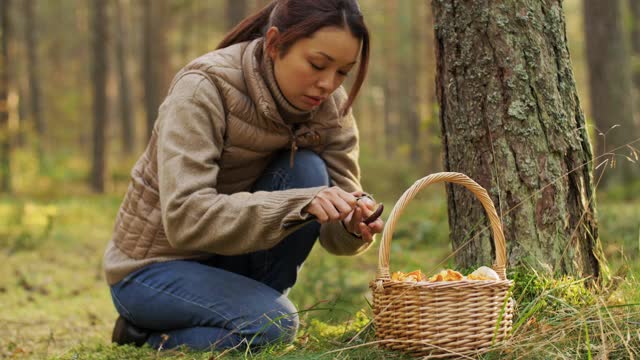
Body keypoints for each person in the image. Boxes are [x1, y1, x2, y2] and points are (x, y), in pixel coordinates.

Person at [104, 0, 383, 351]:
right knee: (275, 327)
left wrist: (352, 224)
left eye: (343, 71)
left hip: (228, 258)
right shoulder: (203, 88)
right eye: (317, 64)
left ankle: (252, 310)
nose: (328, 84)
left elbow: (336, 232)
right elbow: (184, 218)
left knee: (310, 170)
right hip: (151, 270)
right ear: (274, 43)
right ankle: (143, 337)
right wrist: (301, 203)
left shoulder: (329, 108)